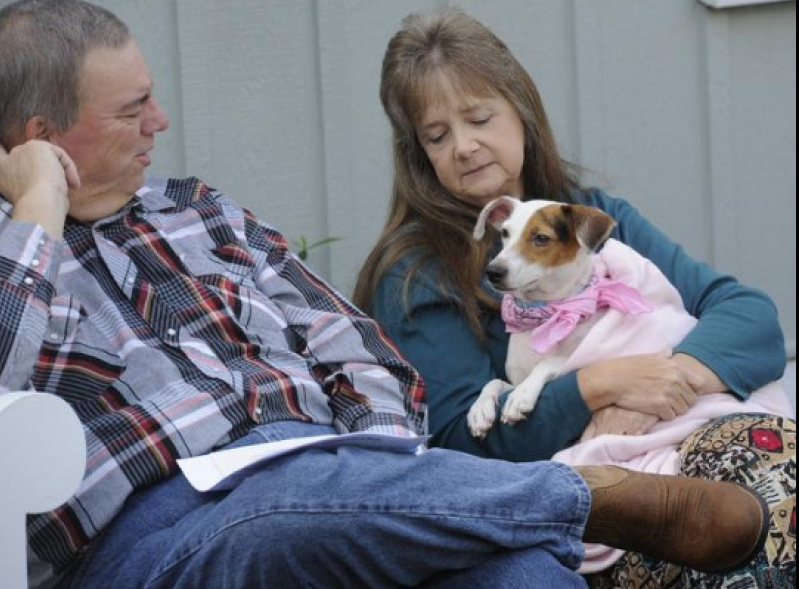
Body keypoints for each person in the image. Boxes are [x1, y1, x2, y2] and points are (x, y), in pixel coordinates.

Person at [0, 2, 776, 588]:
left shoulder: (200, 209)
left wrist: (369, 467)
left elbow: (353, 348)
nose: (160, 122)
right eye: (134, 109)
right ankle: (572, 494)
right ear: (42, 131)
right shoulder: (15, 248)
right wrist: (37, 215)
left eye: (480, 118)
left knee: (521, 570)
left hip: (338, 475)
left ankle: (500, 506)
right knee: (272, 525)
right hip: (158, 521)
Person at [353, 7, 796, 588]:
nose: (463, 146)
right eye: (437, 136)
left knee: (771, 485)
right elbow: (463, 447)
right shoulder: (416, 274)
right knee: (769, 502)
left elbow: (750, 316)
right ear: (421, 154)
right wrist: (598, 386)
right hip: (580, 506)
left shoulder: (592, 220)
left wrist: (668, 378)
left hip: (685, 433)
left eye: (479, 117)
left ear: (521, 110)